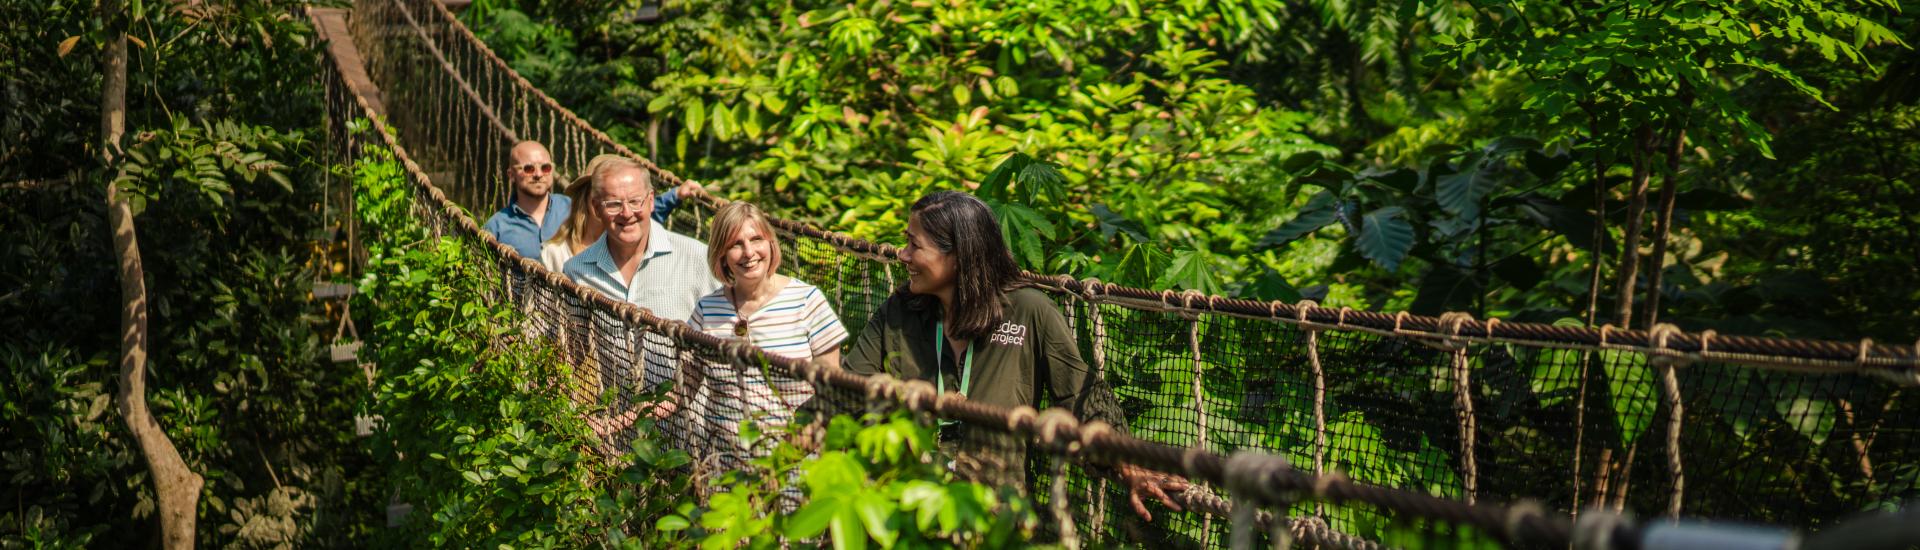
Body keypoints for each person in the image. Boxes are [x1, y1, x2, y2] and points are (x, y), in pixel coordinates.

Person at [841, 190, 1189, 522]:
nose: (902, 255)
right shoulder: (901, 310)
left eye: (914, 246)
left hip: (997, 517)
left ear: (959, 255)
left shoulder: (1029, 310)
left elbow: (1080, 395)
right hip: (903, 509)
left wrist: (1127, 462)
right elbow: (848, 391)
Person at [684, 201, 847, 465]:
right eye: (735, 244)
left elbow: (832, 395)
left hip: (794, 467)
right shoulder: (707, 309)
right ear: (721, 254)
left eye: (756, 239)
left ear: (771, 243)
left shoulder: (807, 301)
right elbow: (683, 388)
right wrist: (625, 419)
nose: (749, 252)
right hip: (725, 470)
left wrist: (780, 466)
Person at [564, 160, 722, 412]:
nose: (626, 213)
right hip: (618, 425)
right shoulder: (578, 270)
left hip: (690, 422)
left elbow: (731, 331)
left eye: (635, 201)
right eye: (614, 204)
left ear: (650, 201)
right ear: (596, 207)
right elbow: (575, 349)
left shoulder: (697, 257)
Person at [483, 141, 568, 259]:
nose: (538, 174)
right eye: (529, 169)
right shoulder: (496, 227)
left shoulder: (574, 208)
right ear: (511, 175)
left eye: (545, 168)